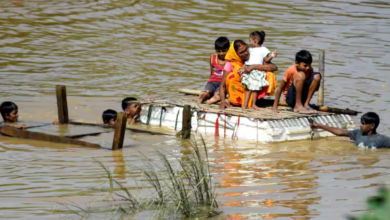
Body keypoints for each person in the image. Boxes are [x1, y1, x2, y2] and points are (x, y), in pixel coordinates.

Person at [219, 40, 278, 110]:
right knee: (232, 76)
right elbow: (222, 85)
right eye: (241, 52)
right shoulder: (231, 63)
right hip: (236, 99)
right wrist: (223, 101)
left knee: (270, 74)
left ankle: (254, 102)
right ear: (236, 54)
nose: (246, 53)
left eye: (246, 49)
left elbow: (274, 67)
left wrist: (253, 67)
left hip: (254, 93)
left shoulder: (254, 57)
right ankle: (240, 103)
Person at [310, 112, 390, 148]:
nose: (361, 125)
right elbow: (340, 132)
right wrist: (319, 125)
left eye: (363, 123)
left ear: (372, 125)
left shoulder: (381, 139)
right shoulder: (357, 133)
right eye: (361, 123)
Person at [241, 31, 277, 109]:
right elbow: (246, 61)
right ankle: (245, 105)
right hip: (249, 70)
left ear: (255, 41)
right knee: (248, 88)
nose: (249, 42)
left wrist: (272, 56)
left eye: (250, 40)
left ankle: (253, 104)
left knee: (255, 88)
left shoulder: (263, 49)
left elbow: (266, 60)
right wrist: (242, 68)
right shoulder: (250, 49)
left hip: (257, 71)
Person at [198, 37, 230, 104]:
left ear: (228, 50)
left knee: (218, 93)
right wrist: (209, 81)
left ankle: (211, 100)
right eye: (219, 51)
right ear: (216, 50)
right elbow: (211, 72)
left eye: (224, 51)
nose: (221, 53)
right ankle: (203, 96)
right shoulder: (213, 59)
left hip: (224, 84)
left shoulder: (230, 61)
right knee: (207, 91)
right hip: (213, 81)